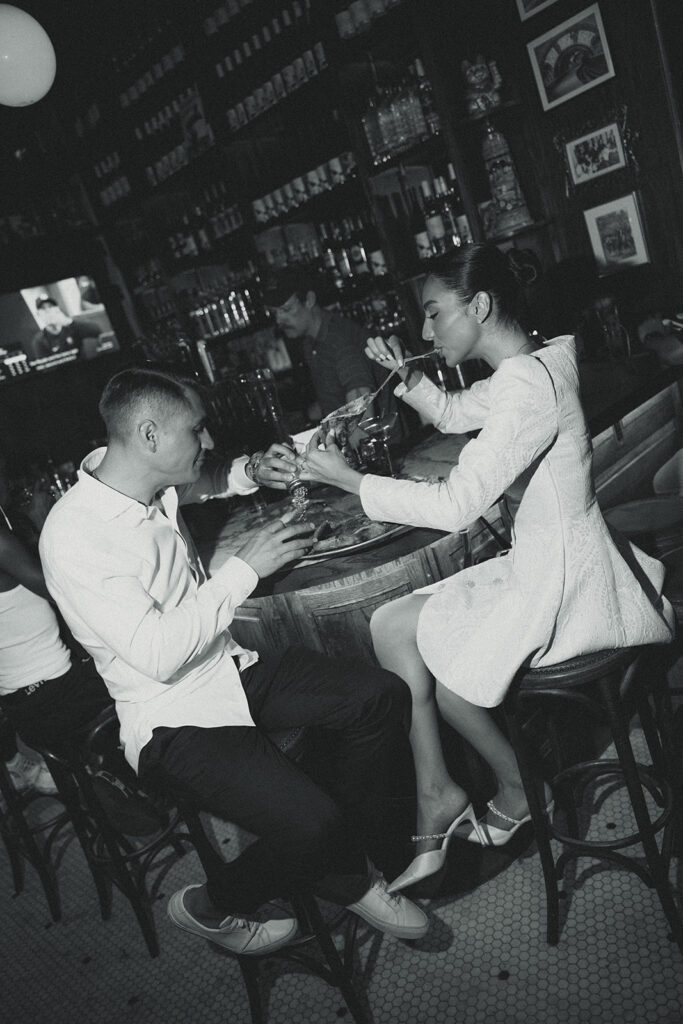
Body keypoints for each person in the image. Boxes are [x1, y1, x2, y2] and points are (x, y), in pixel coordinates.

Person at [299, 242, 675, 893]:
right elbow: (456, 412)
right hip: (551, 558)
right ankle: (439, 791)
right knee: (391, 623)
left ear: (478, 304)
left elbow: (455, 505)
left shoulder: (524, 387)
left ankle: (504, 788)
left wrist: (351, 480)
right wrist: (409, 378)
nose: (424, 331)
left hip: (562, 582)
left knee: (445, 673)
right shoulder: (531, 364)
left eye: (434, 313)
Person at [39, 366, 427, 955]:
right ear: (149, 436)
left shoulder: (142, 480)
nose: (209, 441)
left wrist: (252, 471)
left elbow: (206, 480)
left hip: (230, 668)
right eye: (197, 431)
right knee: (312, 823)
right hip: (171, 717)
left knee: (380, 697)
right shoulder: (73, 537)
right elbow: (160, 655)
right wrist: (245, 569)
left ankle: (341, 864)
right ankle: (211, 902)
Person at [0, 449, 112, 793]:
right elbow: (63, 589)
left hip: (24, 706)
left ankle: (107, 772)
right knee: (147, 670)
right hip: (56, 698)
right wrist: (46, 519)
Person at [261, 266, 375, 421]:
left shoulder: (339, 340)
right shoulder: (311, 342)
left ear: (309, 300)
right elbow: (333, 402)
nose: (278, 320)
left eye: (286, 309)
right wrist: (302, 418)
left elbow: (363, 413)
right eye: (275, 312)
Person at [29, 295, 101, 361]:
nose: (48, 311)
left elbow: (96, 331)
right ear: (38, 314)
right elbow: (46, 368)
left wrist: (68, 322)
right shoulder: (39, 341)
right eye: (43, 308)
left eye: (50, 307)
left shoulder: (72, 327)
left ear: (57, 310)